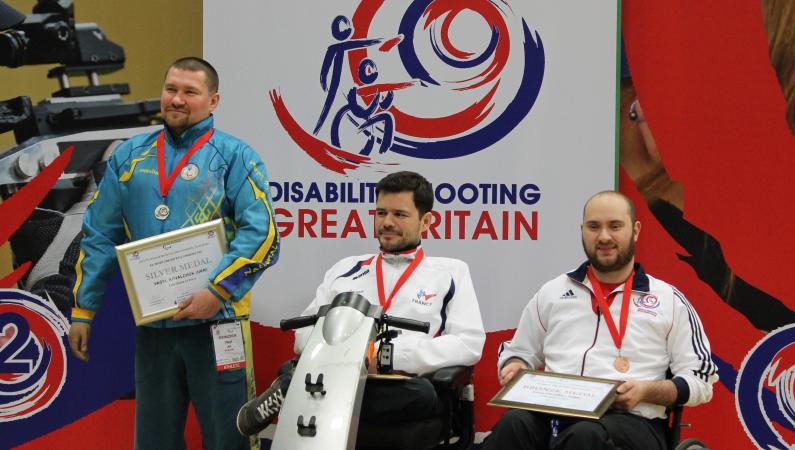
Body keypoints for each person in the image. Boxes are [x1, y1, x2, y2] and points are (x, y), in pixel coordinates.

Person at [67, 57, 280, 450]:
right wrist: (84, 309)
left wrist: (217, 291)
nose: (177, 100)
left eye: (190, 92)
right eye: (171, 89)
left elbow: (263, 235)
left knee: (228, 439)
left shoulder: (235, 157)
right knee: (154, 441)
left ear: (213, 101)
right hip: (155, 329)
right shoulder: (130, 156)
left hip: (219, 324)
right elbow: (98, 234)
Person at [236, 170, 485, 435]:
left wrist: (393, 357)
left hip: (401, 384)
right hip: (338, 374)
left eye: (399, 215)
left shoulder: (451, 272)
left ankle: (288, 390)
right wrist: (357, 356)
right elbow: (303, 334)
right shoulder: (346, 268)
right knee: (300, 370)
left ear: (426, 221)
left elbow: (468, 343)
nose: (387, 222)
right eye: (381, 213)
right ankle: (300, 387)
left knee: (422, 394)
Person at [482, 191, 717, 450]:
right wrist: (515, 365)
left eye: (615, 226)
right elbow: (518, 352)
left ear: (635, 230)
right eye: (594, 227)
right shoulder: (553, 292)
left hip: (632, 423)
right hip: (554, 415)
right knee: (513, 423)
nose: (604, 236)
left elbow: (701, 381)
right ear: (582, 230)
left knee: (585, 436)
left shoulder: (668, 300)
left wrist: (646, 391)